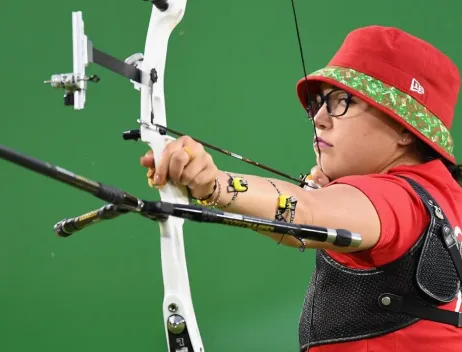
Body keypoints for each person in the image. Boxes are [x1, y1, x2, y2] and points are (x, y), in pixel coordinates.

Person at [140, 25, 462, 352]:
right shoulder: (448, 200)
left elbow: (306, 212)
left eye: (342, 102)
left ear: (405, 128)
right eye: (318, 104)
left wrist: (213, 184)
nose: (319, 118)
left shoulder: (398, 199)